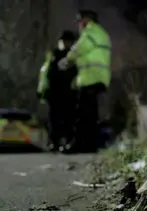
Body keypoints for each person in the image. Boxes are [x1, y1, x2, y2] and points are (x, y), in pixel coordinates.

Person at [58, 10, 111, 153]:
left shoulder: (91, 32)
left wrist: (67, 60)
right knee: (90, 114)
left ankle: (78, 145)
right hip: (97, 77)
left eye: (80, 21)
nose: (79, 25)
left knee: (82, 115)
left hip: (91, 78)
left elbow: (79, 48)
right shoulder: (101, 33)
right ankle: (89, 145)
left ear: (86, 20)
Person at [37, 30, 78, 152]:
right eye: (63, 41)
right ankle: (55, 142)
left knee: (68, 119)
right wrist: (43, 90)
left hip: (68, 93)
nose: (64, 44)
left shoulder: (72, 57)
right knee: (54, 119)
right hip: (55, 93)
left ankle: (67, 142)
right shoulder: (53, 55)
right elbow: (45, 74)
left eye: (67, 42)